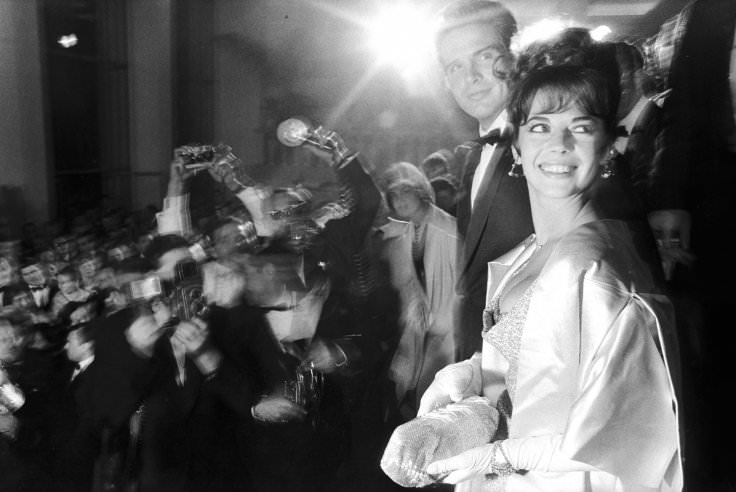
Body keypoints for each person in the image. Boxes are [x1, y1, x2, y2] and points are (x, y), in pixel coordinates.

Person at [417, 65, 681, 491]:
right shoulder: (526, 253)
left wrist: (503, 457)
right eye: (540, 126)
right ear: (516, 148)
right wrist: (471, 373)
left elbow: (631, 433)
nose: (559, 144)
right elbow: (538, 361)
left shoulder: (598, 272)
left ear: (610, 146)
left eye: (580, 126)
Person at [434, 0, 534, 359]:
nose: (470, 77)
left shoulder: (542, 144)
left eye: (483, 56)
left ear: (514, 57)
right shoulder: (473, 156)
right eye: (455, 66)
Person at [378, 162, 460, 419]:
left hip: (444, 333)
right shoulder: (408, 230)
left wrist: (442, 330)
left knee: (435, 404)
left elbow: (461, 286)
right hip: (419, 331)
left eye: (406, 192)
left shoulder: (447, 230)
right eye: (394, 195)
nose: (400, 200)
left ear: (421, 191)